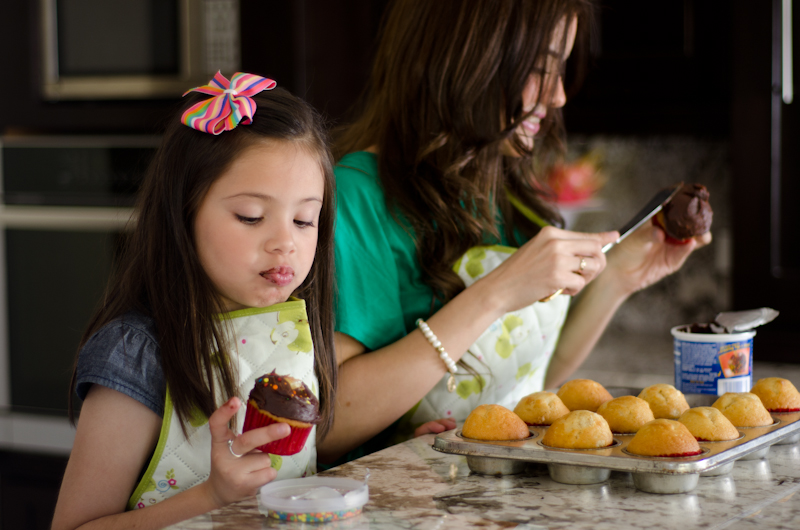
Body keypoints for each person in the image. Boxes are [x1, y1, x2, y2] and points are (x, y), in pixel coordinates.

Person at [317, 0, 711, 464]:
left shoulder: (501, 195)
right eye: (540, 68)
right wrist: (496, 293)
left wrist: (621, 278)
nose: (560, 95)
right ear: (465, 58)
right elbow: (328, 424)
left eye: (561, 69)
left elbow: (527, 384)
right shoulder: (357, 199)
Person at [51, 73, 338, 530]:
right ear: (183, 214)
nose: (285, 242)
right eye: (251, 216)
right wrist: (212, 496)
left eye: (304, 220)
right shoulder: (136, 352)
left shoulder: (292, 334)